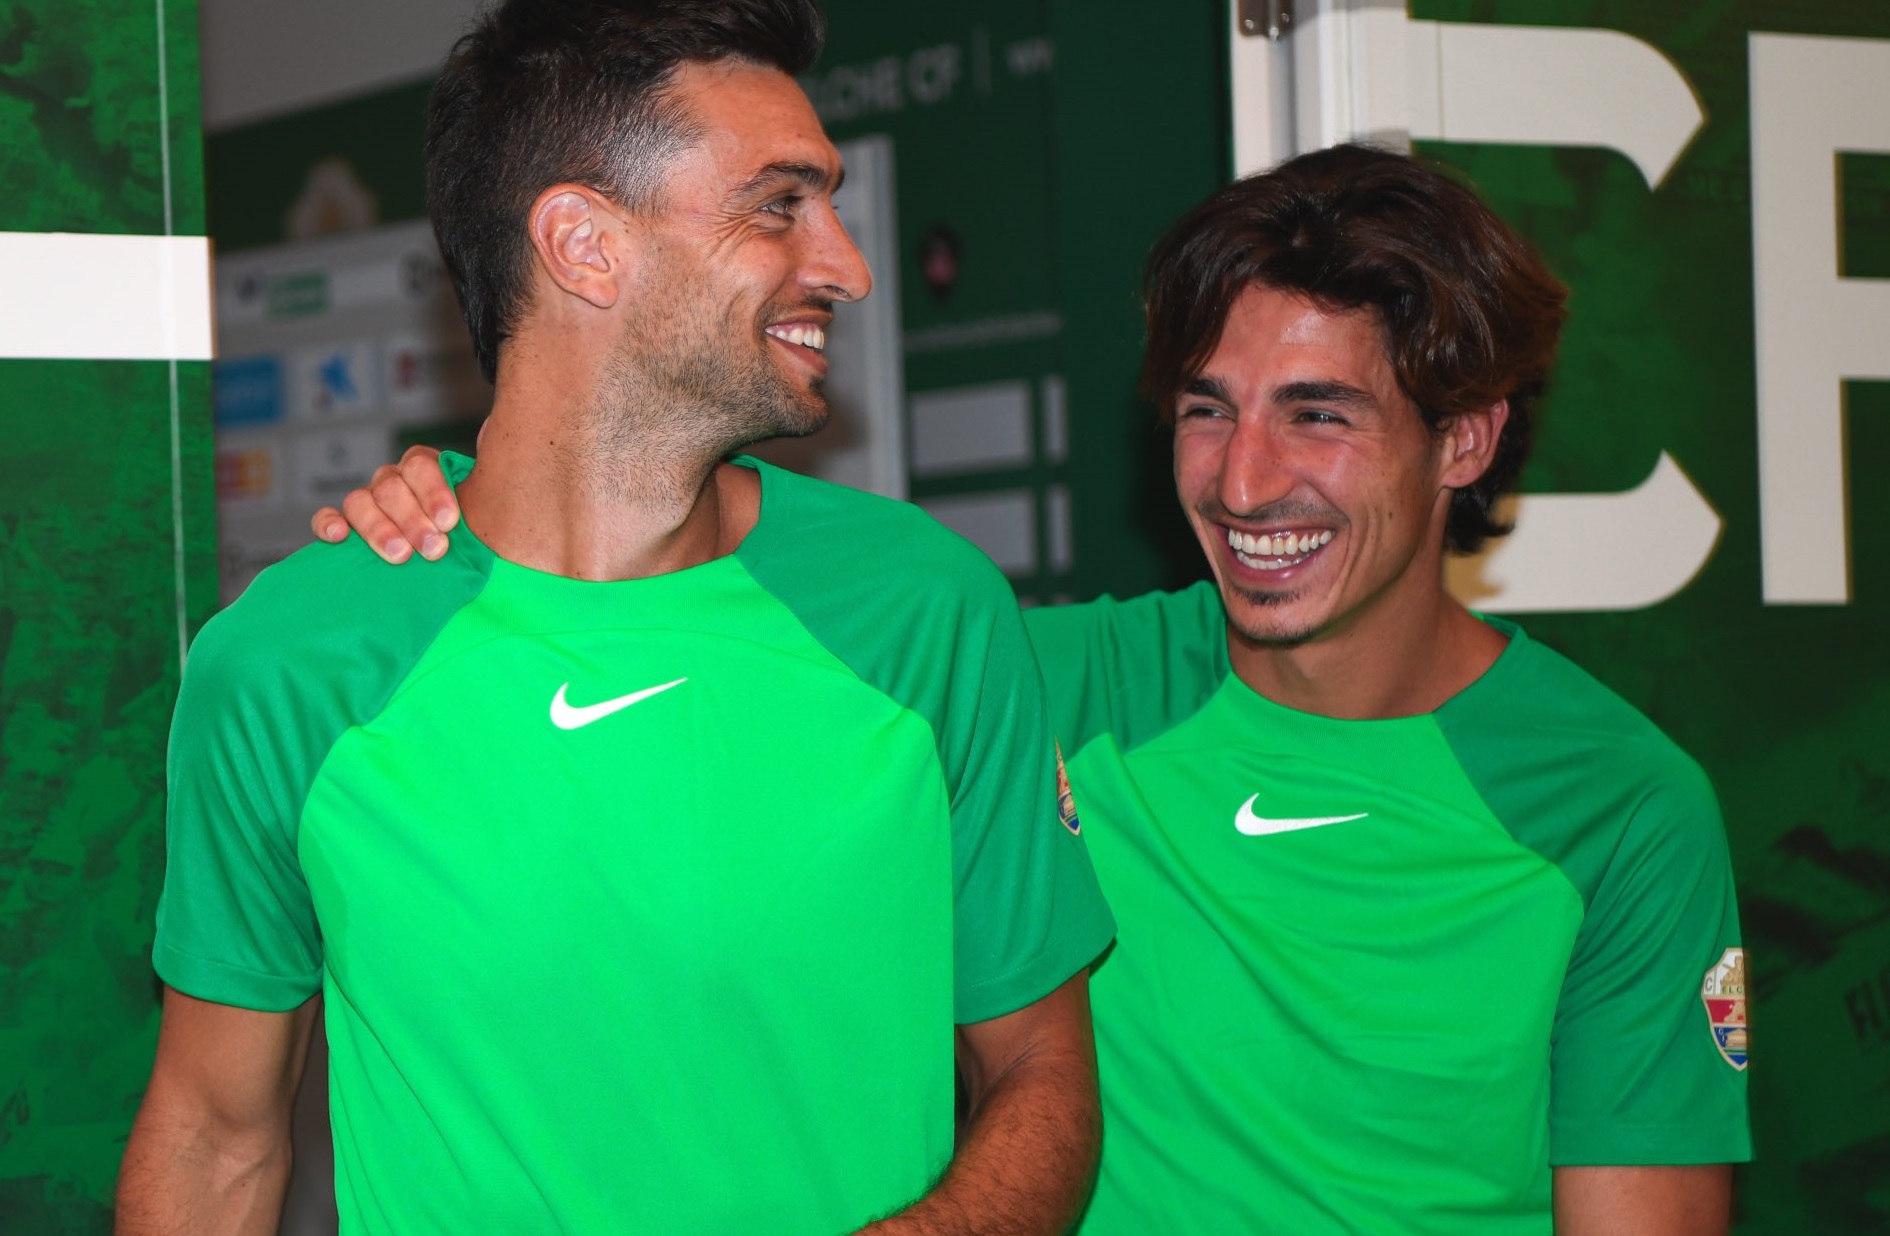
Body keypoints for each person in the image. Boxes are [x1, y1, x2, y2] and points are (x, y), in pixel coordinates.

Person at [317, 144, 1751, 1233]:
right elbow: (672, 611)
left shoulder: (1617, 810)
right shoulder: (1029, 679)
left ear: (1462, 442)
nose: (1245, 480)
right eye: (1208, 409)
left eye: (1319, 416)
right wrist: (458, 510)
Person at [118, 2, 1114, 1233]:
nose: (847, 264)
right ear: (584, 245)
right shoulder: (293, 664)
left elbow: (1043, 1073)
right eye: (780, 205)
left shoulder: (924, 608)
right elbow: (216, 1142)